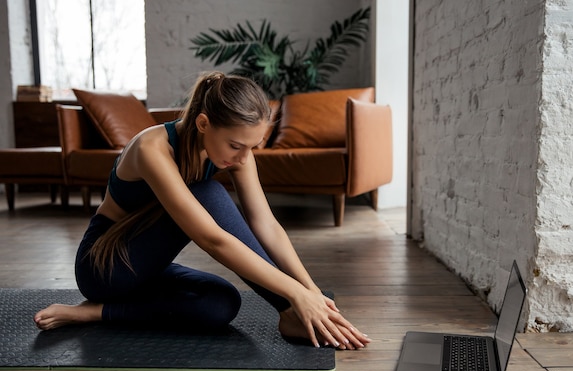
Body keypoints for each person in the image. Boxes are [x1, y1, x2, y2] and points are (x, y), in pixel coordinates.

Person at [33, 71, 370, 350]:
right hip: (105, 266)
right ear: (204, 123)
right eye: (236, 146)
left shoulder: (236, 153)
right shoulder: (152, 149)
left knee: (221, 304)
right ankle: (288, 314)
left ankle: (94, 314)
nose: (242, 157)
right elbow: (212, 239)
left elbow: (266, 225)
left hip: (148, 269)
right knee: (208, 190)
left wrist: (311, 292)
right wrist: (292, 295)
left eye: (251, 147)